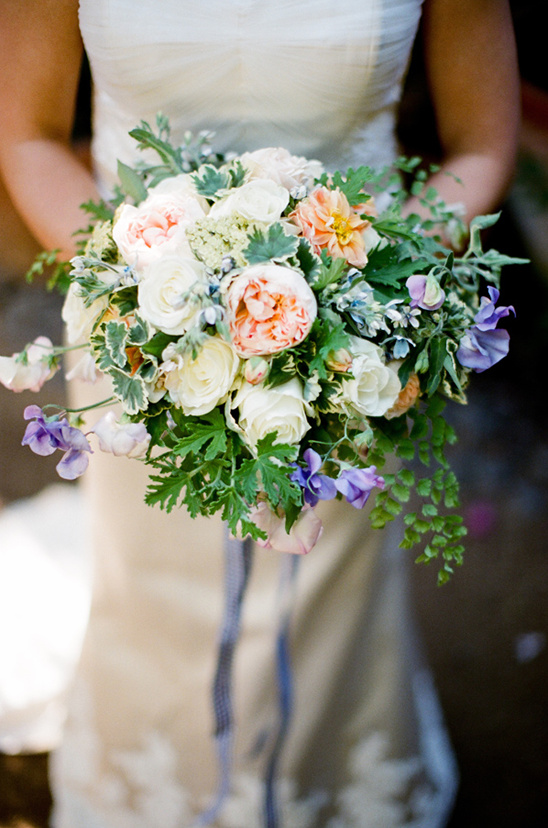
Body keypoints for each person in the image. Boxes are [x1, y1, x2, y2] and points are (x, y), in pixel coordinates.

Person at [0, 1, 520, 826]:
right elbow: (26, 135)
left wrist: (371, 305)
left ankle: (330, 784)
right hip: (135, 338)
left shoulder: (362, 337)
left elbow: (483, 143)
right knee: (152, 587)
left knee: (327, 592)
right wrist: (146, 303)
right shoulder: (137, 319)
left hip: (356, 355)